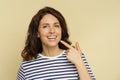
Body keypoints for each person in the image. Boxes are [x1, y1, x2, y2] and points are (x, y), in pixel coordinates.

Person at [17, 6, 96, 80]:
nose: (52, 31)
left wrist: (79, 62)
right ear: (37, 33)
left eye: (56, 26)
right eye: (45, 26)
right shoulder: (26, 66)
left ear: (61, 30)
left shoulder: (77, 56)